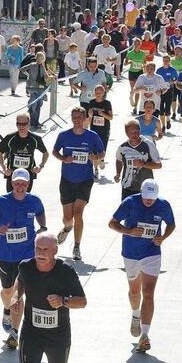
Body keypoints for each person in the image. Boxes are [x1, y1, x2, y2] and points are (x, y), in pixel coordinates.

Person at [108, 179, 175, 353]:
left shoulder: (163, 205)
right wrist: (128, 231)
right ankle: (135, 313)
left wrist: (163, 237)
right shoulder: (130, 202)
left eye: (152, 198)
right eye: (146, 197)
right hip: (131, 253)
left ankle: (144, 336)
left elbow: (172, 224)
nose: (148, 201)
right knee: (135, 292)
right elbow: (112, 223)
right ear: (141, 193)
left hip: (152, 253)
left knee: (149, 293)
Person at [0, 168, 46, 349]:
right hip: (5, 254)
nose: (20, 187)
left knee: (18, 294)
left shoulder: (34, 201)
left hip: (27, 254)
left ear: (28, 185)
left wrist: (42, 225)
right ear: (12, 183)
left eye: (24, 184)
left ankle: (14, 331)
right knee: (7, 292)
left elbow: (40, 212)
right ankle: (6, 310)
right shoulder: (1, 201)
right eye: (17, 183)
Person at [10, 233, 87, 363]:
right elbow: (21, 281)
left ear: (55, 251)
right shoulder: (25, 267)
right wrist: (16, 296)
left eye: (45, 249)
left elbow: (82, 301)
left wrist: (63, 301)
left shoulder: (66, 271)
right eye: (38, 249)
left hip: (58, 337)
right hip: (31, 334)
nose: (41, 253)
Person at [52, 107, 105, 260]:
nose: (76, 119)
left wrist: (94, 157)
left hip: (85, 180)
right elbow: (55, 151)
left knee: (78, 213)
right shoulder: (64, 135)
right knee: (68, 217)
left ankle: (76, 246)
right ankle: (67, 228)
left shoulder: (92, 136)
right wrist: (63, 159)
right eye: (74, 117)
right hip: (67, 179)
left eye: (79, 117)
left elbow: (102, 153)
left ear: (84, 119)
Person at [0, 113, 49, 192]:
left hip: (28, 174)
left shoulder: (35, 139)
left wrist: (40, 166)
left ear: (29, 124)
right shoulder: (10, 137)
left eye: (24, 124)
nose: (21, 126)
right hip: (12, 173)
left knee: (25, 198)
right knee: (11, 198)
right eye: (19, 124)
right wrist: (4, 168)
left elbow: (46, 153)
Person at [114, 119, 162, 200]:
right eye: (131, 132)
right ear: (126, 133)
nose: (134, 135)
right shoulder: (122, 147)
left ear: (140, 131)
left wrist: (143, 164)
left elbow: (159, 165)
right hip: (127, 187)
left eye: (136, 131)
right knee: (127, 212)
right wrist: (118, 173)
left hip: (145, 189)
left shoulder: (148, 144)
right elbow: (119, 159)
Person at [20, 52, 54, 129]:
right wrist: (52, 76)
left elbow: (22, 69)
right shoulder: (42, 66)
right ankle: (35, 122)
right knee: (38, 105)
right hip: (38, 88)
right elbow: (46, 76)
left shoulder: (32, 65)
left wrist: (28, 75)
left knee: (34, 103)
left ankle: (33, 121)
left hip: (32, 87)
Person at [87, 84, 113, 177]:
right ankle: (96, 169)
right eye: (96, 92)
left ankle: (101, 160)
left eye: (100, 92)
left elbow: (111, 117)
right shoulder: (91, 102)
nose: (98, 94)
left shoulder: (107, 103)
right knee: (93, 150)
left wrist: (103, 114)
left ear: (103, 93)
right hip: (94, 129)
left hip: (104, 129)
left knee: (102, 150)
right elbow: (89, 116)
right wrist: (89, 115)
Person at [156, 55, 178, 132]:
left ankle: (168, 119)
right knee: (161, 109)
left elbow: (176, 80)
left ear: (169, 61)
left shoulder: (173, 70)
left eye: (167, 60)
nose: (166, 62)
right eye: (164, 60)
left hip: (169, 90)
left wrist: (171, 82)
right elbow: (156, 80)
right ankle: (163, 126)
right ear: (162, 61)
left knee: (167, 108)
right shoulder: (159, 70)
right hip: (161, 90)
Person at [125, 39, 147, 113]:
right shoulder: (130, 53)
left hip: (139, 72)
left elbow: (145, 63)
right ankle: (131, 97)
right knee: (133, 89)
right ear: (133, 44)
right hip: (132, 72)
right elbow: (125, 63)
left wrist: (144, 66)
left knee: (137, 90)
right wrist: (129, 62)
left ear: (140, 44)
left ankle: (135, 107)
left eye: (138, 44)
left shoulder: (143, 53)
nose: (137, 45)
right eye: (135, 44)